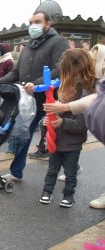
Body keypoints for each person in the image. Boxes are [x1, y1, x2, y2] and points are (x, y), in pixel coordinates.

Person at [0, 10, 69, 181]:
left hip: (52, 99)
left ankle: (72, 167)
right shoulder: (28, 46)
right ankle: (16, 172)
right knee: (23, 134)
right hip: (29, 101)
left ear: (47, 24)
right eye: (31, 22)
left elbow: (60, 69)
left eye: (37, 21)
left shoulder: (58, 42)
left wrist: (36, 84)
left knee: (60, 136)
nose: (32, 25)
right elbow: (16, 72)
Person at [44, 44, 105, 209]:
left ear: (80, 66)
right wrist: (57, 108)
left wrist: (63, 108)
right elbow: (72, 95)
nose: (73, 77)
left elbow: (99, 98)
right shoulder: (87, 71)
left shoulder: (103, 67)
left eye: (72, 72)